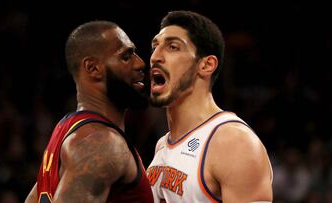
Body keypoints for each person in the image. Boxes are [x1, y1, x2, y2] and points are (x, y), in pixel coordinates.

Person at [146, 10, 273, 203]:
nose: (155, 56)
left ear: (206, 65)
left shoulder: (234, 142)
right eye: (155, 46)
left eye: (172, 47)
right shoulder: (163, 144)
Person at [25, 20, 154, 203]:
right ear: (93, 68)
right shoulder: (102, 143)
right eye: (126, 57)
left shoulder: (68, 128)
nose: (140, 63)